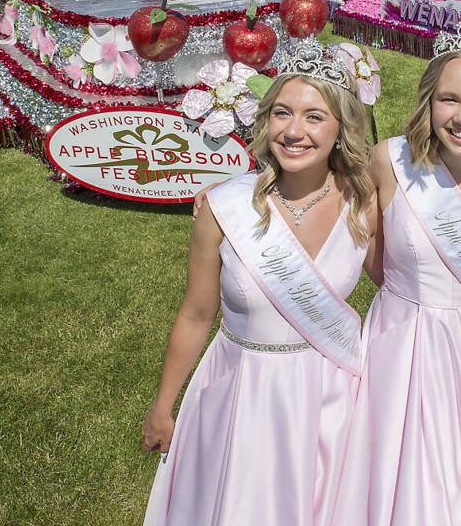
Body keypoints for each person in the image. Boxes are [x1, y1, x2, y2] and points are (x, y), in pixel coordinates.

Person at [141, 41, 377, 526]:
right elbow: (196, 314)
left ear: (341, 130)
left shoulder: (364, 206)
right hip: (239, 390)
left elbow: (407, 283)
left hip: (328, 397)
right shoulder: (225, 208)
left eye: (315, 117)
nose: (293, 131)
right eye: (282, 113)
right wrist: (163, 407)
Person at [336, 18, 461, 526]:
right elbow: (370, 252)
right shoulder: (389, 161)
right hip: (400, 351)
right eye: (449, 100)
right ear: (429, 102)